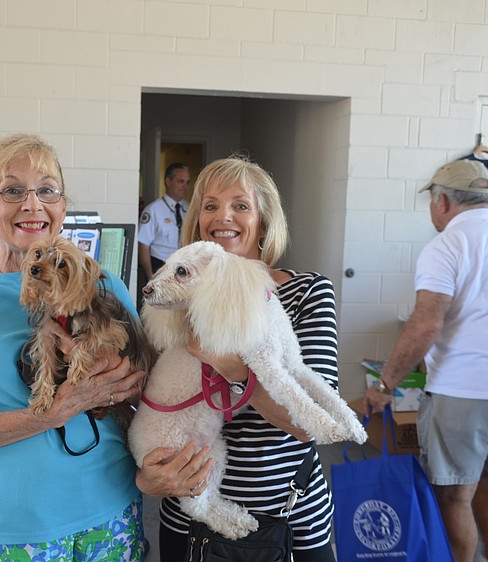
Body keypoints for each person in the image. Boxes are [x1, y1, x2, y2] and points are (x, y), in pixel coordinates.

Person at [0, 133, 151, 561]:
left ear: (62, 206)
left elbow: (142, 387)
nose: (32, 204)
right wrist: (52, 412)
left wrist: (115, 380)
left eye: (46, 190)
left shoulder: (104, 284)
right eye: (12, 191)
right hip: (15, 523)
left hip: (111, 504)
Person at [136, 155, 338, 562]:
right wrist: (146, 477)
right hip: (190, 516)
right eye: (209, 205)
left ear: (264, 222)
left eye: (240, 205)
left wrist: (227, 362)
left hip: (288, 517)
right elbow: (144, 403)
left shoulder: (306, 294)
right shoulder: (173, 295)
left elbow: (311, 423)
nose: (222, 216)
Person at [363, 159, 488, 562]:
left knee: (453, 492)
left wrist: (385, 386)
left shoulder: (448, 244)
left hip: (470, 387)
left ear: (443, 201)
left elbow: (426, 324)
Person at [138, 162, 190, 282]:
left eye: (188, 182)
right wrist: (150, 276)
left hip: (184, 269)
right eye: (181, 181)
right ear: (168, 181)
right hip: (160, 266)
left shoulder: (189, 209)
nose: (185, 186)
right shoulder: (153, 210)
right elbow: (144, 245)